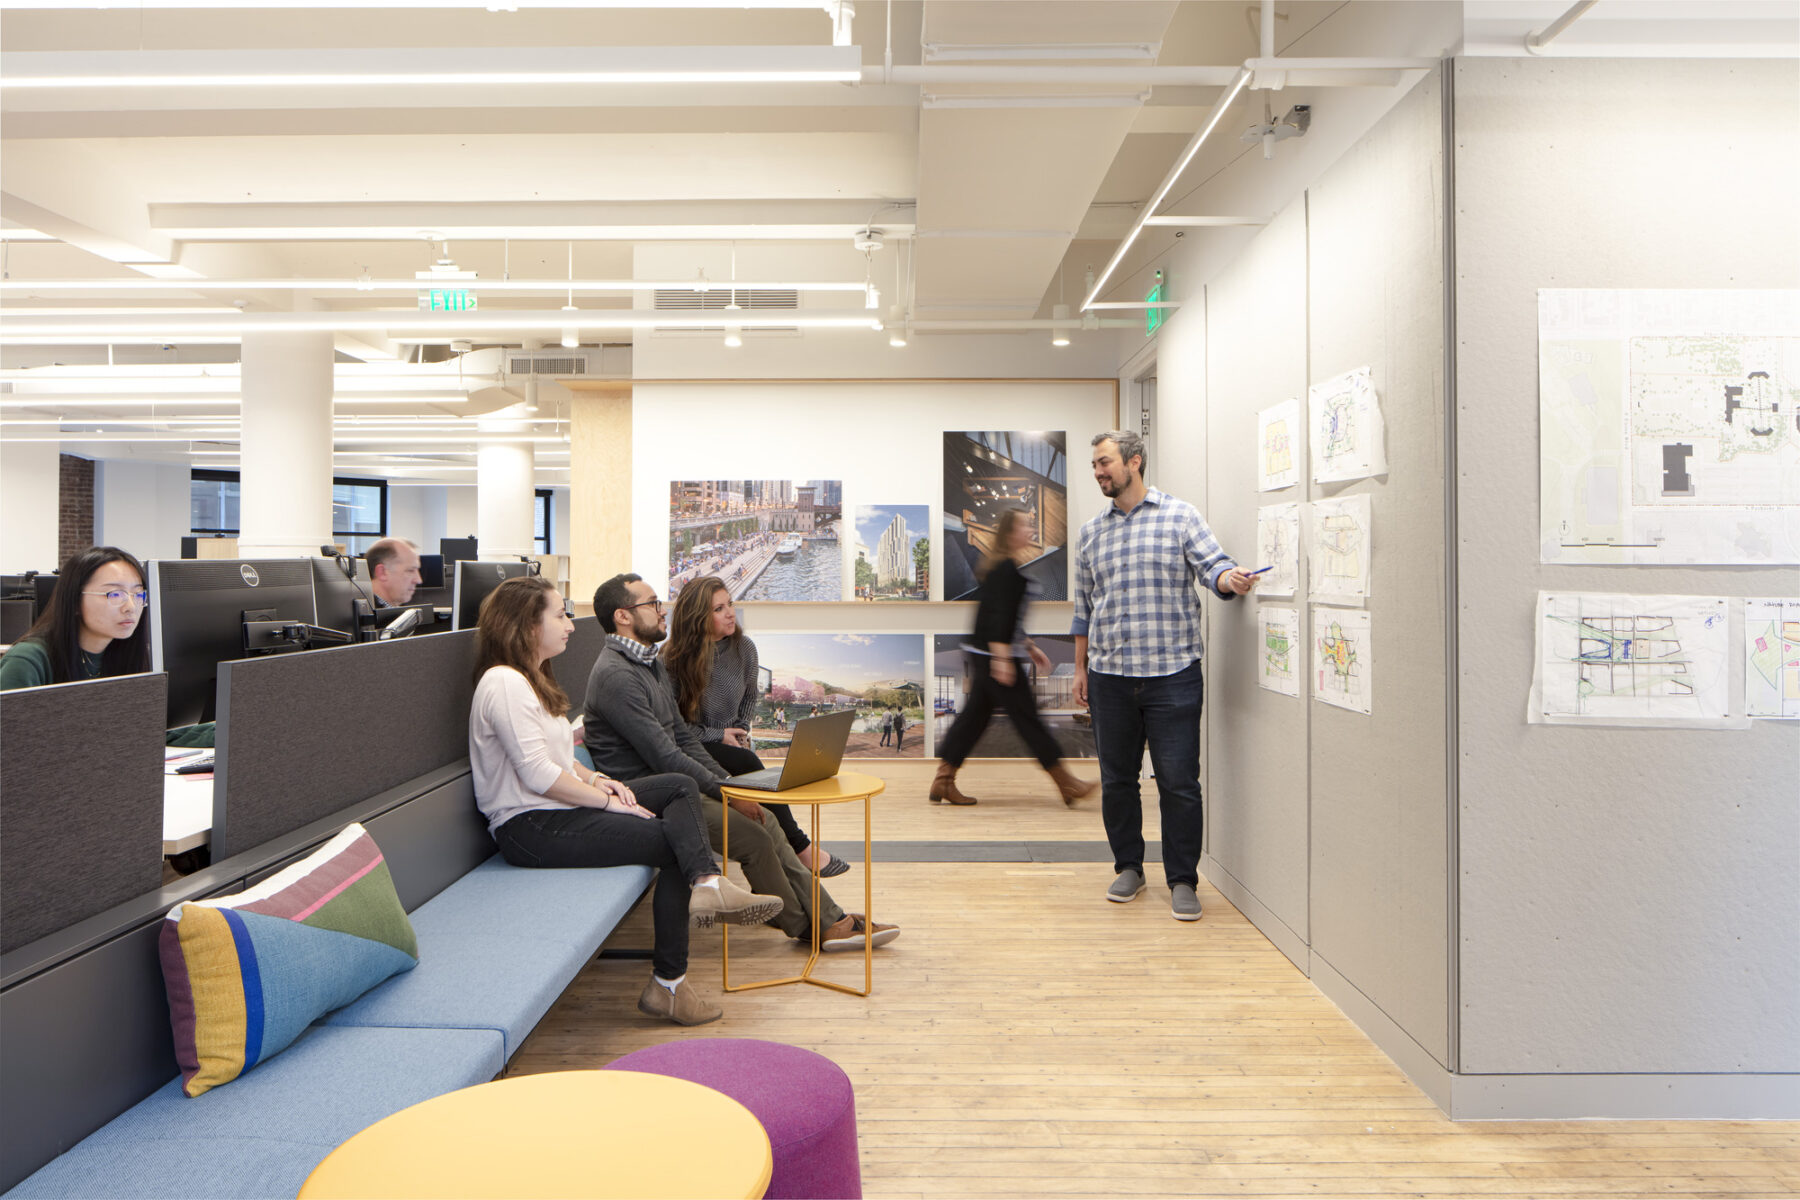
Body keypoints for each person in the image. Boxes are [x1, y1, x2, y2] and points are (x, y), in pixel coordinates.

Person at [469, 574, 783, 1027]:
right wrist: (608, 802)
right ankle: (670, 984)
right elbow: (537, 775)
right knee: (674, 842)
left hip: (556, 811)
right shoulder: (504, 683)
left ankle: (707, 888)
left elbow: (558, 759)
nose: (570, 625)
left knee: (677, 784)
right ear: (525, 624)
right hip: (529, 827)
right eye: (560, 615)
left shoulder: (531, 678)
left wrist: (598, 779)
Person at [585, 573, 898, 953]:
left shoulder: (645, 663)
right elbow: (664, 755)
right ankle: (813, 926)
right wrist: (729, 795)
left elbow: (682, 738)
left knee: (765, 821)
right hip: (653, 794)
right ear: (623, 616)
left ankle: (827, 919)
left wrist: (731, 788)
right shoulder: (617, 675)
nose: (661, 609)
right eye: (651, 604)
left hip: (674, 783)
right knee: (754, 835)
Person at [1072, 430, 1260, 922]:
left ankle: (1183, 879)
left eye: (1105, 462)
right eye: (1094, 464)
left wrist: (1229, 579)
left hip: (1173, 675)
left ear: (1134, 461)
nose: (1098, 472)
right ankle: (1129, 868)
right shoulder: (1091, 533)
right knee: (1117, 781)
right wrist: (1080, 670)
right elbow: (1082, 609)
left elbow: (1213, 566)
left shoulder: (1180, 516)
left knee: (1178, 783)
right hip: (1109, 676)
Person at [662, 576, 849, 879]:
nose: (730, 613)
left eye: (730, 604)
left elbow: (750, 697)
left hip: (729, 742)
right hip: (692, 744)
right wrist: (718, 735)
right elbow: (674, 729)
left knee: (747, 761)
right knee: (749, 764)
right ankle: (801, 847)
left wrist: (741, 730)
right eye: (718, 608)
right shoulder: (671, 660)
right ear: (697, 617)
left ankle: (784, 858)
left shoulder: (744, 648)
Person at [932, 508, 1098, 807]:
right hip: (994, 656)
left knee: (973, 720)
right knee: (1028, 719)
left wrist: (1030, 648)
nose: (1031, 530)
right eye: (1026, 526)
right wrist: (1002, 659)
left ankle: (943, 779)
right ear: (1011, 533)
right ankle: (1066, 783)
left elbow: (1008, 619)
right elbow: (996, 619)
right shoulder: (1004, 571)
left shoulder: (1005, 568)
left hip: (988, 654)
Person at [0, 545, 149, 691]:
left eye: (138, 594)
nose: (131, 607)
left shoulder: (128, 655)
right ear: (75, 600)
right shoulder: (27, 661)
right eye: (115, 594)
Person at [366, 537, 422, 608]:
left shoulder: (390, 612)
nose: (418, 580)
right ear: (382, 572)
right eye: (410, 570)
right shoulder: (363, 616)